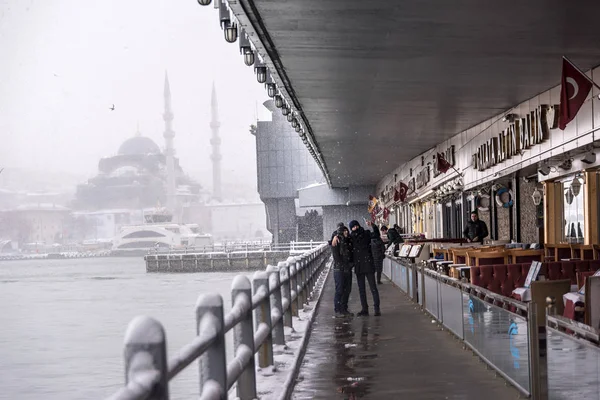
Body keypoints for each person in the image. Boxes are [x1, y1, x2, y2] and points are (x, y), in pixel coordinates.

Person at [347, 219, 381, 316]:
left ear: (358, 225)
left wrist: (373, 225)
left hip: (368, 264)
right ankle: (364, 309)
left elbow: (376, 235)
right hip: (359, 266)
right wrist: (334, 237)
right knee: (361, 289)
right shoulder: (351, 238)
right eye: (353, 227)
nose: (355, 228)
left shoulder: (366, 233)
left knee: (373, 287)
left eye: (356, 226)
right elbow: (342, 239)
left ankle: (376, 309)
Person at [329, 224, 354, 317]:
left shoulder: (349, 241)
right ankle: (338, 309)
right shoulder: (336, 241)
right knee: (340, 290)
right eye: (344, 231)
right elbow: (336, 256)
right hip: (339, 269)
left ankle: (344, 308)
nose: (346, 232)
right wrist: (335, 237)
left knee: (347, 290)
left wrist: (351, 264)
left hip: (348, 269)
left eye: (347, 230)